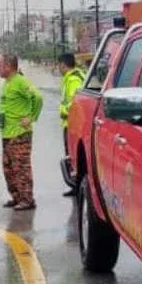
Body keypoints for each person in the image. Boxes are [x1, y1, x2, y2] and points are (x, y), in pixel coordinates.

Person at [0, 54, 43, 210]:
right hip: (7, 133)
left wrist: (31, 118)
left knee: (21, 168)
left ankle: (27, 200)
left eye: (0, 65)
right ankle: (17, 197)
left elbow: (38, 97)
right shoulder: (7, 83)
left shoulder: (20, 81)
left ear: (8, 66)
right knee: (8, 168)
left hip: (19, 134)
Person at [58, 52, 86, 197]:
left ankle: (76, 186)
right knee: (71, 155)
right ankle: (75, 186)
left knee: (72, 156)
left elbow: (75, 102)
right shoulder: (70, 78)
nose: (58, 68)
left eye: (59, 65)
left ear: (63, 65)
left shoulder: (73, 80)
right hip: (71, 124)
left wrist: (63, 111)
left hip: (72, 124)